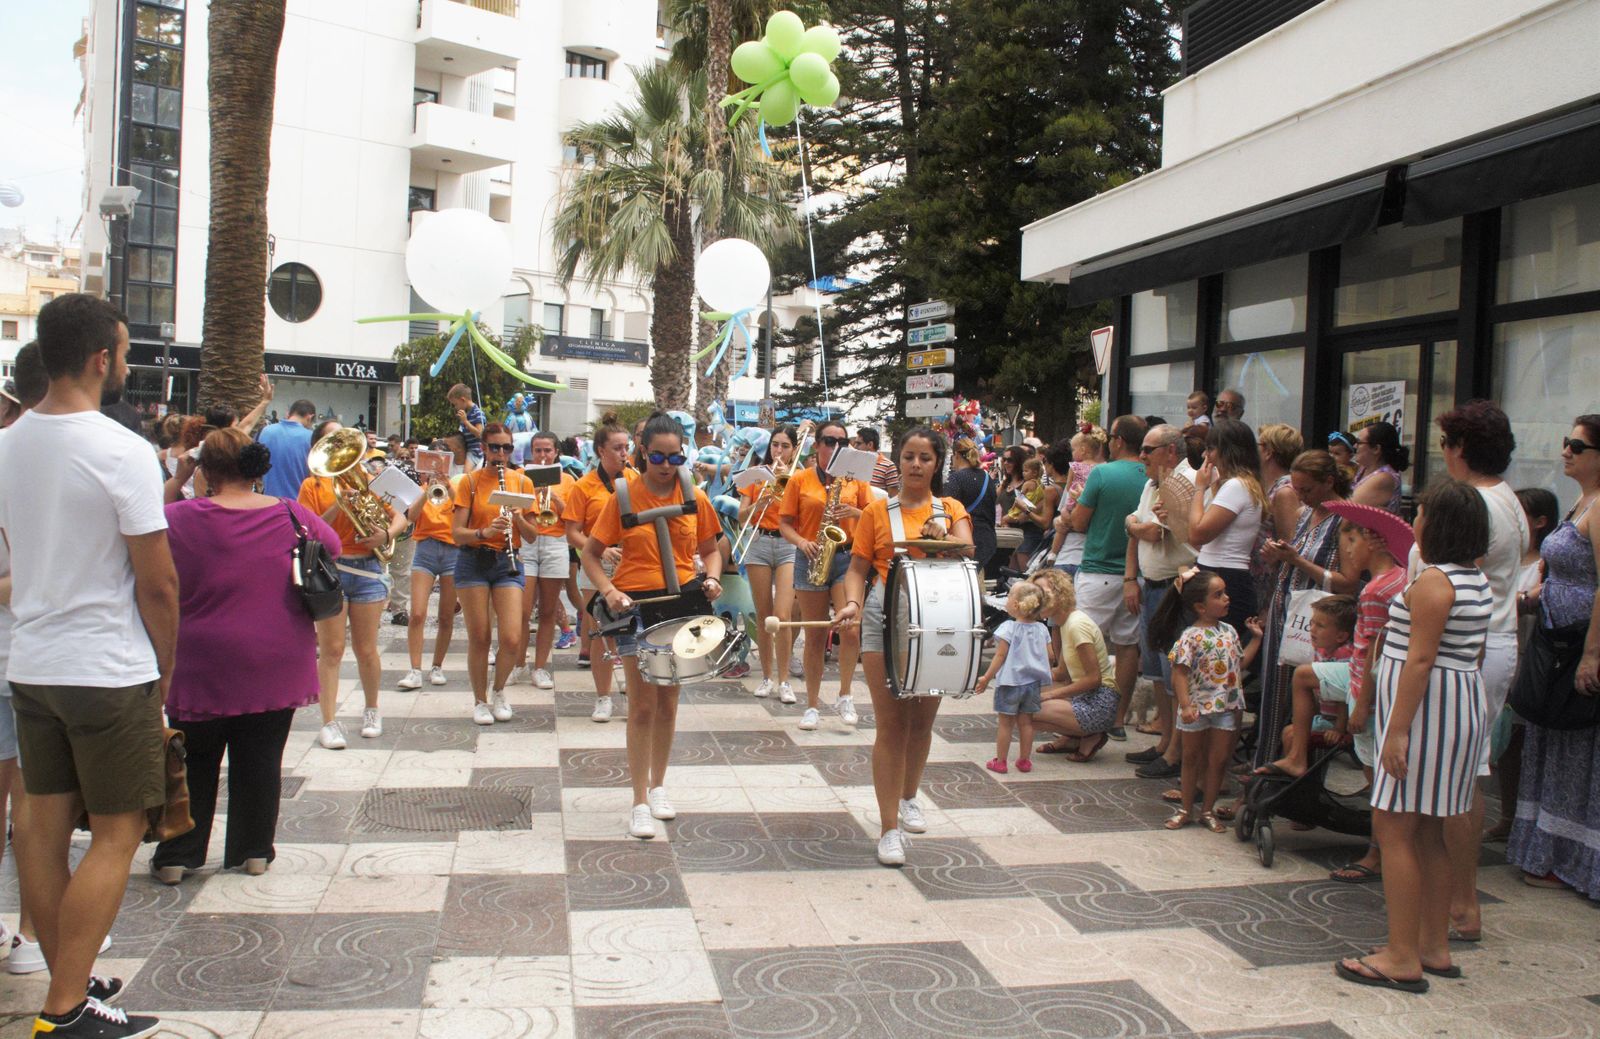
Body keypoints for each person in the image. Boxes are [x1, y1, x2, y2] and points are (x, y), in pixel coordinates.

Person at [0, 293, 176, 1038]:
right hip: (105, 664)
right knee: (118, 832)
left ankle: (69, 978)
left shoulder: (7, 444)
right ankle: (65, 1006)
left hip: (30, 658)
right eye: (126, 352)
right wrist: (164, 673)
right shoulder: (120, 449)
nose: (126, 364)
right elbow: (158, 581)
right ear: (102, 357)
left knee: (39, 822)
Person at [151, 428, 338, 886]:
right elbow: (331, 547)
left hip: (200, 659)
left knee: (193, 761)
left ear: (205, 469)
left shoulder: (179, 518)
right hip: (276, 657)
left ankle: (179, 855)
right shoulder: (292, 514)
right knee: (261, 759)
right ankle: (254, 851)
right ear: (256, 468)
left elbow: (144, 541)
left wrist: (178, 480)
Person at [1338, 479, 1491, 993]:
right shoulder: (1475, 580)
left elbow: (1421, 660)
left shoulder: (1432, 583)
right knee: (1429, 830)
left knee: (1395, 828)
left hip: (1427, 710)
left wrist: (1396, 732)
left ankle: (1402, 954)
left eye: (1421, 512)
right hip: (1459, 706)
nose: (1415, 520)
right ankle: (1433, 945)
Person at [583, 412, 725, 839]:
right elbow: (591, 554)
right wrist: (609, 592)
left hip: (681, 603)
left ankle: (659, 785)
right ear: (644, 451)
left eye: (674, 456)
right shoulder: (623, 496)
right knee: (642, 705)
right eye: (658, 456)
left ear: (683, 454)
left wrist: (713, 577)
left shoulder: (694, 496)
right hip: (635, 605)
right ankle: (639, 800)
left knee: (668, 703)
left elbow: (711, 548)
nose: (665, 464)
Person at [835, 426, 973, 866]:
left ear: (937, 464)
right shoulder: (877, 512)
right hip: (882, 616)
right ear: (899, 461)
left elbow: (970, 551)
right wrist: (853, 602)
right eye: (909, 456)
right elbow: (857, 568)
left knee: (921, 722)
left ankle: (910, 796)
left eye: (925, 458)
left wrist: (944, 532)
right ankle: (889, 826)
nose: (916, 464)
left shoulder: (951, 508)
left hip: (937, 623)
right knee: (891, 723)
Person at [1434, 400, 1529, 938]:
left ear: (1461, 448)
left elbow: (1450, 580)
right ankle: (1455, 896)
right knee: (1464, 773)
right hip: (1489, 642)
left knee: (1459, 776)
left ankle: (1460, 901)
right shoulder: (1506, 499)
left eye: (1446, 444)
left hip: (1467, 646)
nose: (1444, 454)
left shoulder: (1478, 503)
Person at [1508, 416, 1600, 898]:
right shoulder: (1582, 502)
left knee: (1578, 749)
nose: (1565, 450)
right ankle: (1550, 850)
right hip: (1555, 635)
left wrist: (1592, 653)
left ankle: (1576, 856)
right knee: (1554, 743)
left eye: (1577, 445)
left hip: (1579, 646)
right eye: (1565, 441)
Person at [299, 422, 407, 748]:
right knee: (331, 650)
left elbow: (400, 514)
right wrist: (338, 503)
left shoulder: (370, 481)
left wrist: (386, 534)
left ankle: (372, 709)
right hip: (331, 568)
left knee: (366, 649)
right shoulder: (312, 486)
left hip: (368, 570)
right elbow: (308, 530)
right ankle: (329, 721)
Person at [1318, 505, 1411, 884]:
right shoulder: (1403, 579)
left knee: (1377, 781)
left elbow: (1372, 650)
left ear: (1372, 542)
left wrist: (1361, 704)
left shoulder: (1375, 591)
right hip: (1382, 689)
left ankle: (1377, 852)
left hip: (1369, 692)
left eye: (1351, 541)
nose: (1348, 552)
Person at [1254, 451, 1360, 769]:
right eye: (1297, 489)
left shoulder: (1345, 519)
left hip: (1317, 620)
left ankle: (1297, 779)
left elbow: (1348, 582)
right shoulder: (1305, 513)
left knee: (1308, 701)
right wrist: (1277, 556)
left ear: (1329, 482)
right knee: (1274, 697)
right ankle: (1269, 764)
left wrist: (1296, 560)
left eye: (1307, 489)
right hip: (1286, 610)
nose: (1300, 496)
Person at [1149, 570, 1262, 832]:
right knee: (1191, 758)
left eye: (1224, 593)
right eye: (1218, 595)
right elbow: (1180, 672)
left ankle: (1207, 810)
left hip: (1226, 706)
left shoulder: (1230, 632)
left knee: (1219, 760)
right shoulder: (1190, 636)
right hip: (1197, 707)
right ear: (1200, 606)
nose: (1226, 598)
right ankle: (1186, 808)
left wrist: (1256, 638)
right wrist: (1186, 704)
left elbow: (1240, 662)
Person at [782, 420, 872, 730]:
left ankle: (845, 694)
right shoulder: (800, 480)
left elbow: (873, 519)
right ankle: (812, 704)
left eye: (843, 442)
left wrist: (856, 514)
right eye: (830, 441)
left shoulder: (855, 481)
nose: (836, 447)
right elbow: (785, 524)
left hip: (846, 558)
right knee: (815, 635)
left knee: (850, 630)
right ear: (817, 445)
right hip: (811, 556)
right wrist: (802, 541)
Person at [1065, 414, 1149, 740]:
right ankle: (1117, 718)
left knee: (1081, 642)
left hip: (1099, 569)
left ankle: (1082, 718)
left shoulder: (1102, 473)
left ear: (1117, 440)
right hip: (1136, 575)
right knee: (1128, 647)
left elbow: (1079, 522)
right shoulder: (1151, 476)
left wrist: (1071, 515)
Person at [451, 423, 539, 726]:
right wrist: (485, 531)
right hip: (473, 561)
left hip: (508, 561)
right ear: (485, 449)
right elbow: (457, 534)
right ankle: (479, 699)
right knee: (480, 636)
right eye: (495, 448)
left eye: (507, 448)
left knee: (513, 638)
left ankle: (499, 689)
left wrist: (516, 517)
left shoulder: (522, 483)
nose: (501, 454)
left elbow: (532, 535)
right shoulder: (470, 483)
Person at [1122, 423, 1196, 780]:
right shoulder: (1152, 484)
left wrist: (1135, 526)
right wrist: (1129, 578)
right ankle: (1166, 741)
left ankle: (1176, 752)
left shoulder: (1188, 482)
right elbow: (1138, 530)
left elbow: (1148, 530)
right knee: (1154, 670)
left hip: (1174, 587)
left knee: (1174, 674)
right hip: (1150, 584)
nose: (1141, 456)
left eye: (1148, 450)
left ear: (1170, 451)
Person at [1487, 487, 1560, 843]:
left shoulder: (1545, 564)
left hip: (1531, 658)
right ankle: (1508, 814)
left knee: (1521, 738)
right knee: (1506, 742)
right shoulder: (1507, 557)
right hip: (1502, 653)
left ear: (1540, 521)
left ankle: (1525, 816)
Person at [566, 414, 631, 722]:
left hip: (633, 562)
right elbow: (573, 533)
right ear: (601, 451)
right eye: (617, 448)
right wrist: (602, 550)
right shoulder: (584, 485)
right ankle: (603, 697)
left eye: (627, 447)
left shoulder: (636, 481)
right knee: (598, 631)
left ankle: (635, 690)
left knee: (633, 630)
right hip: (597, 564)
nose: (624, 453)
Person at [1254, 594, 1358, 780]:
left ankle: (1298, 781)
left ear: (1341, 636)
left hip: (1340, 720)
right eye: (1312, 624)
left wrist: (1339, 728)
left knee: (1293, 735)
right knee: (1288, 733)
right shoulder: (1322, 650)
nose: (1312, 630)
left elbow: (1343, 695)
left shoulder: (1344, 655)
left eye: (1320, 626)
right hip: (1325, 715)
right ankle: (1294, 779)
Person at [1185, 418, 1265, 636]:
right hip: (1223, 573)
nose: (1205, 455)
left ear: (1228, 450)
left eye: (1210, 449)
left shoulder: (1236, 486)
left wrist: (1199, 489)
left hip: (1224, 575)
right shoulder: (1240, 484)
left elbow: (1197, 533)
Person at [1031, 568, 1120, 760]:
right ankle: (1072, 737)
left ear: (1060, 593)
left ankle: (1089, 735)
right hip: (1085, 697)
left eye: (1043, 593)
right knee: (1016, 698)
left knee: (1024, 710)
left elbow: (1094, 679)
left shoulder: (1076, 625)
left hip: (1099, 703)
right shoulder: (1066, 624)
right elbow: (1061, 673)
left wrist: (1050, 695)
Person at [396, 440, 461, 691]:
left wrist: (447, 486)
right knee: (418, 613)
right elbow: (411, 517)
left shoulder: (456, 487)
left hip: (452, 552)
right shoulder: (420, 488)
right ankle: (414, 669)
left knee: (446, 616)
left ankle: (437, 666)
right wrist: (427, 489)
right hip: (425, 550)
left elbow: (465, 511)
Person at [511, 431, 573, 691]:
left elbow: (572, 517)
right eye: (538, 450)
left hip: (555, 542)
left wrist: (553, 495)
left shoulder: (568, 479)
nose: (543, 455)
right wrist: (532, 492)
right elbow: (512, 506)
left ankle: (540, 667)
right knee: (522, 611)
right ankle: (518, 663)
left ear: (556, 452)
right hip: (528, 541)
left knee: (548, 611)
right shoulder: (521, 477)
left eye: (548, 450)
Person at [742, 425, 800, 703]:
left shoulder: (798, 477)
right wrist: (759, 502)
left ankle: (785, 680)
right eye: (775, 445)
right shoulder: (756, 475)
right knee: (764, 615)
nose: (779, 450)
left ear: (794, 449)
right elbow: (742, 516)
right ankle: (766, 677)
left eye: (785, 446)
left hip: (788, 545)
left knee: (783, 616)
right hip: (760, 542)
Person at [975, 581, 1051, 774]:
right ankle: (1024, 760)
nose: (1006, 600)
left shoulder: (1008, 628)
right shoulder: (1042, 629)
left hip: (1010, 682)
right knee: (1026, 723)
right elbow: (1051, 655)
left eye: (1009, 597)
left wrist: (986, 677)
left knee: (1005, 724)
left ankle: (1001, 761)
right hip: (1032, 684)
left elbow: (1000, 656)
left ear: (1016, 605)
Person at [1043, 427, 1105, 575]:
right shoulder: (1105, 469)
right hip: (1091, 551)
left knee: (1061, 522)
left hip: (1069, 552)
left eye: (1073, 450)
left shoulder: (1075, 467)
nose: (1072, 454)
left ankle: (1053, 552)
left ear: (1083, 450)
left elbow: (1070, 488)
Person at [947, 436, 997, 574]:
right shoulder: (987, 478)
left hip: (966, 539)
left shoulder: (956, 479)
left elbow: (948, 510)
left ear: (956, 455)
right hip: (987, 539)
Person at [257, 398, 317, 498]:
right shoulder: (311, 437)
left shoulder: (266, 431)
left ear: (288, 413)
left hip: (269, 501)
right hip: (298, 504)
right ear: (310, 417)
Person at [1351, 420, 1410, 514]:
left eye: (1359, 442)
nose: (1354, 446)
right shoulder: (1363, 468)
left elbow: (1348, 510)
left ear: (1376, 449)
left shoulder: (1384, 478)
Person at [448, 383, 487, 466]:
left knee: (465, 476)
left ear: (462, 400)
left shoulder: (478, 413)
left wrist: (466, 422)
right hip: (467, 450)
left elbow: (480, 434)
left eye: (455, 404)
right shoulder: (466, 414)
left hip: (475, 451)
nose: (455, 407)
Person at [854, 426, 899, 495]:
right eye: (855, 443)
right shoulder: (854, 463)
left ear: (870, 444)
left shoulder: (888, 466)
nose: (855, 447)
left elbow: (893, 496)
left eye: (858, 443)